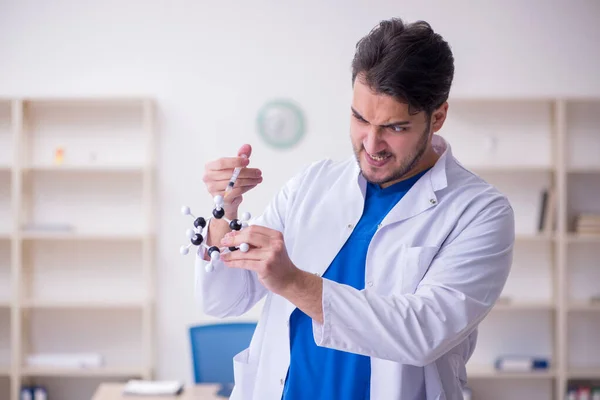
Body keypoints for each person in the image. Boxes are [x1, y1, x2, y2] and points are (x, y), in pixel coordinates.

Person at [195, 17, 514, 400]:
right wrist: (224, 212)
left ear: (437, 117)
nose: (372, 143)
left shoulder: (479, 211)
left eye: (395, 127)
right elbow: (223, 299)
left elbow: (423, 333)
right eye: (360, 119)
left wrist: (294, 282)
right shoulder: (311, 185)